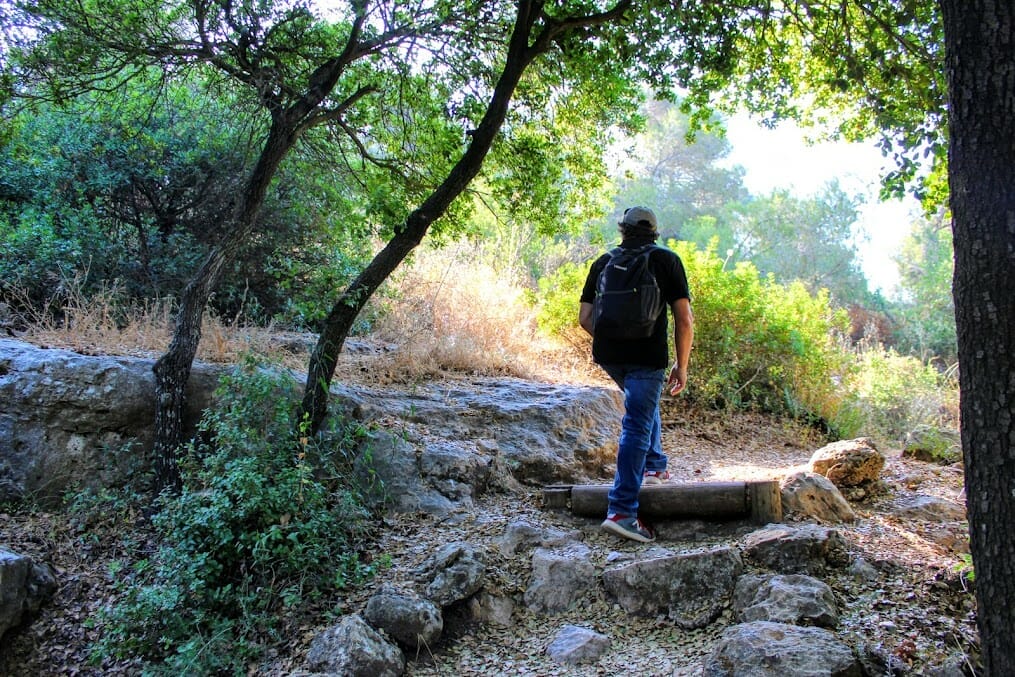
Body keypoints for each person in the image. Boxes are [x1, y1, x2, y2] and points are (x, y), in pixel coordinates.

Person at [578, 206, 694, 543]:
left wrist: (614, 341)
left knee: (642, 404)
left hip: (610, 355)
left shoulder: (603, 262)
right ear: (654, 231)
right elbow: (684, 319)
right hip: (648, 354)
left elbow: (585, 318)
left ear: (623, 230)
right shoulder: (665, 260)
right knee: (637, 422)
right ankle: (622, 511)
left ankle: (655, 464)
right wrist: (681, 365)